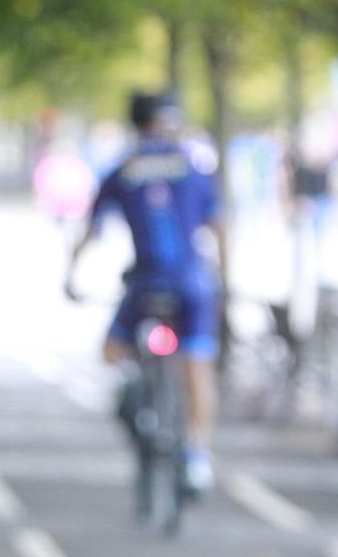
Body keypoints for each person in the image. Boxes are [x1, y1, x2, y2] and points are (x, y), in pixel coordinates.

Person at [64, 92, 223, 494]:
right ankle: (198, 454)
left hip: (146, 283)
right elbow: (218, 224)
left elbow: (92, 229)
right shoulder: (194, 168)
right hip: (192, 282)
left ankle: (138, 393)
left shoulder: (123, 171)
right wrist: (225, 274)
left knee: (112, 352)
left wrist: (72, 274)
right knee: (197, 367)